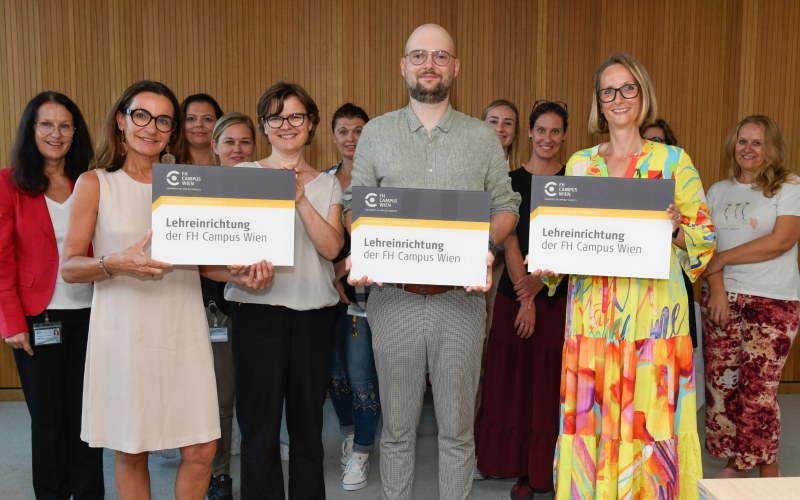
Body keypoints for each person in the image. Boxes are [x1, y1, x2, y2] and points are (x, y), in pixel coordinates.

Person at [60, 80, 271, 499]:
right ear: (121, 121)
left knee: (202, 447)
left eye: (162, 120)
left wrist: (239, 275)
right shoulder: (95, 182)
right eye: (141, 116)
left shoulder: (184, 183)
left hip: (181, 328)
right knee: (131, 449)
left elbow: (200, 262)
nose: (150, 128)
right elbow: (69, 267)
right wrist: (113, 263)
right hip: (125, 331)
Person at [343, 24, 520, 499]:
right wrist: (362, 247)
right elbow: (352, 206)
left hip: (460, 305)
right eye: (418, 56)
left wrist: (483, 245)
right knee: (397, 431)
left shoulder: (482, 138)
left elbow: (507, 206)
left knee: (457, 433)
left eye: (440, 56)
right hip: (393, 303)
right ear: (403, 65)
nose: (429, 65)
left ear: (455, 67)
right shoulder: (376, 134)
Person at [541, 53, 715, 499]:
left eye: (628, 88)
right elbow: (566, 244)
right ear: (598, 102)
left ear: (642, 94)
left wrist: (677, 229)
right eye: (608, 91)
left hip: (655, 325)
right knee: (590, 429)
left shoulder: (675, 162)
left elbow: (703, 241)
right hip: (592, 327)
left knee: (651, 431)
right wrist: (551, 262)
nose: (618, 99)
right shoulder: (580, 165)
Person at [225, 81, 344, 499]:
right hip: (257, 315)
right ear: (264, 125)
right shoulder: (243, 176)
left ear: (311, 124)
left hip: (313, 318)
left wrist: (299, 198)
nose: (286, 125)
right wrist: (239, 273)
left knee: (308, 427)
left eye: (296, 116)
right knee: (258, 426)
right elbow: (222, 252)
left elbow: (332, 247)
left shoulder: (328, 184)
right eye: (276, 117)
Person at [1, 91, 104, 499]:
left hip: (93, 314)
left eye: (64, 125)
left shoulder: (91, 180)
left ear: (75, 131)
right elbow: (3, 260)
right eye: (46, 124)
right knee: (47, 420)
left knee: (87, 418)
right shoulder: (9, 182)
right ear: (32, 129)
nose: (56, 133)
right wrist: (10, 322)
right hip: (37, 317)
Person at [474, 100, 569, 499]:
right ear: (528, 133)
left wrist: (541, 284)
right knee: (509, 381)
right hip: (515, 293)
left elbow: (577, 239)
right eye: (540, 130)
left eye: (555, 131)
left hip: (559, 294)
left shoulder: (574, 180)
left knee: (548, 385)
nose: (547, 138)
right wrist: (525, 292)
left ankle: (539, 471)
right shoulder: (508, 179)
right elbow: (509, 236)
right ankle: (508, 463)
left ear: (564, 137)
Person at [701, 115, 800, 479]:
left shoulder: (789, 186)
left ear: (771, 148)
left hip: (772, 300)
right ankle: (735, 464)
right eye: (742, 141)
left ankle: (767, 473)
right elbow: (706, 247)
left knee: (758, 392)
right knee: (722, 388)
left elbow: (782, 240)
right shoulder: (717, 191)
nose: (748, 149)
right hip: (722, 297)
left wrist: (723, 259)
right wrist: (720, 288)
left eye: (757, 143)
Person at [325, 102, 381, 491]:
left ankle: (362, 449)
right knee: (335, 376)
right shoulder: (323, 183)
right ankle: (349, 434)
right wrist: (335, 270)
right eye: (344, 130)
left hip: (366, 297)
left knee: (362, 377)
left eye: (359, 130)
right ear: (333, 136)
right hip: (325, 298)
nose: (351, 138)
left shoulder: (382, 183)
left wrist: (351, 265)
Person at [205, 112, 257, 500]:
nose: (237, 149)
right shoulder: (200, 190)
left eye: (245, 142)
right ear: (215, 146)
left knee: (256, 397)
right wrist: (231, 274)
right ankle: (220, 476)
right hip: (215, 308)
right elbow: (193, 259)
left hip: (261, 308)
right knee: (222, 399)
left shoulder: (268, 189)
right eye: (229, 142)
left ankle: (257, 472)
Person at [640, 118, 700, 348]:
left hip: (671, 280)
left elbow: (699, 241)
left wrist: (674, 227)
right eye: (647, 140)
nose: (653, 145)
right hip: (635, 287)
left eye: (658, 140)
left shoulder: (683, 186)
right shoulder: (623, 183)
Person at [178, 94, 224, 166]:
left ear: (219, 124)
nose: (199, 124)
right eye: (191, 118)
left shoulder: (231, 164)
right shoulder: (166, 164)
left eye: (207, 119)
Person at [481, 99, 519, 167]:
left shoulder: (525, 175)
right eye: (493, 122)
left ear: (515, 131)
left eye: (507, 123)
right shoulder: (465, 169)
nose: (500, 129)